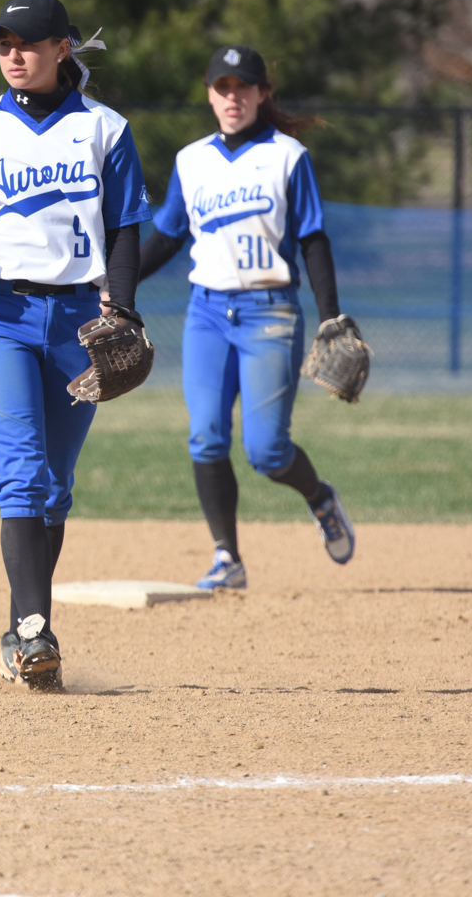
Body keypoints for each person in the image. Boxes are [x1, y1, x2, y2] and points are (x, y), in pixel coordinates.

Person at [0, 0, 149, 689]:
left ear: (63, 49)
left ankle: (22, 628)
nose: (13, 56)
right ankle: (33, 632)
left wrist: (124, 308)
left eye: (26, 43)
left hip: (78, 320)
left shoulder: (106, 129)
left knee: (54, 488)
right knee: (20, 473)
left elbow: (124, 227)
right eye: (3, 45)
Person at [136, 45, 356, 591]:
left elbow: (312, 237)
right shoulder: (192, 161)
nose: (232, 97)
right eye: (222, 87)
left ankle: (320, 498)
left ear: (262, 94)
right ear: (210, 94)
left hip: (270, 313)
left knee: (267, 450)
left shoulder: (287, 156)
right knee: (206, 437)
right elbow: (167, 236)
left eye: (243, 87)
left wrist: (331, 315)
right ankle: (227, 558)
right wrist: (115, 288)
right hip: (207, 312)